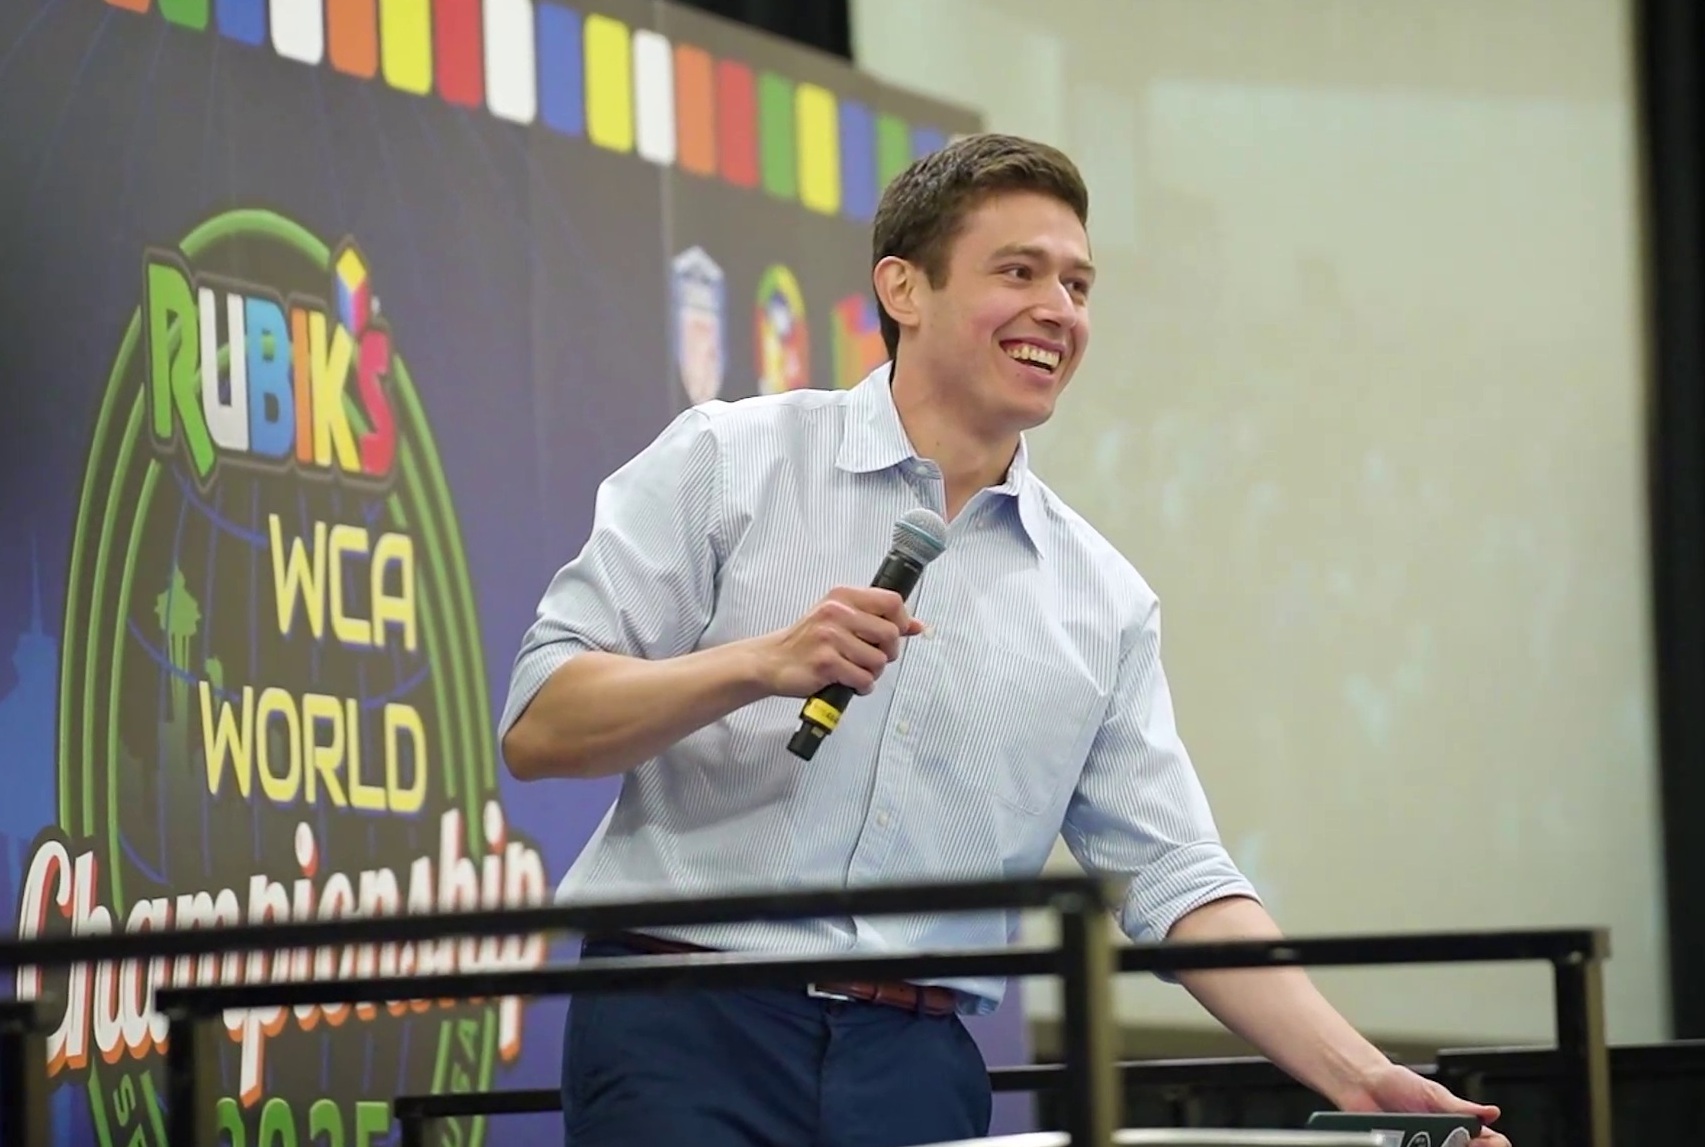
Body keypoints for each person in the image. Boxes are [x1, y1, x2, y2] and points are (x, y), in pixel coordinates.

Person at [499, 132, 1511, 1147]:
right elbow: (542, 725)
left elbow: (1176, 876)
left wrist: (1360, 1075)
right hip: (685, 1028)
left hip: (915, 1063)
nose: (1058, 309)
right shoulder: (729, 460)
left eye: (1077, 284)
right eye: (1019, 272)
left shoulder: (1101, 599)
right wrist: (757, 664)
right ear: (903, 288)